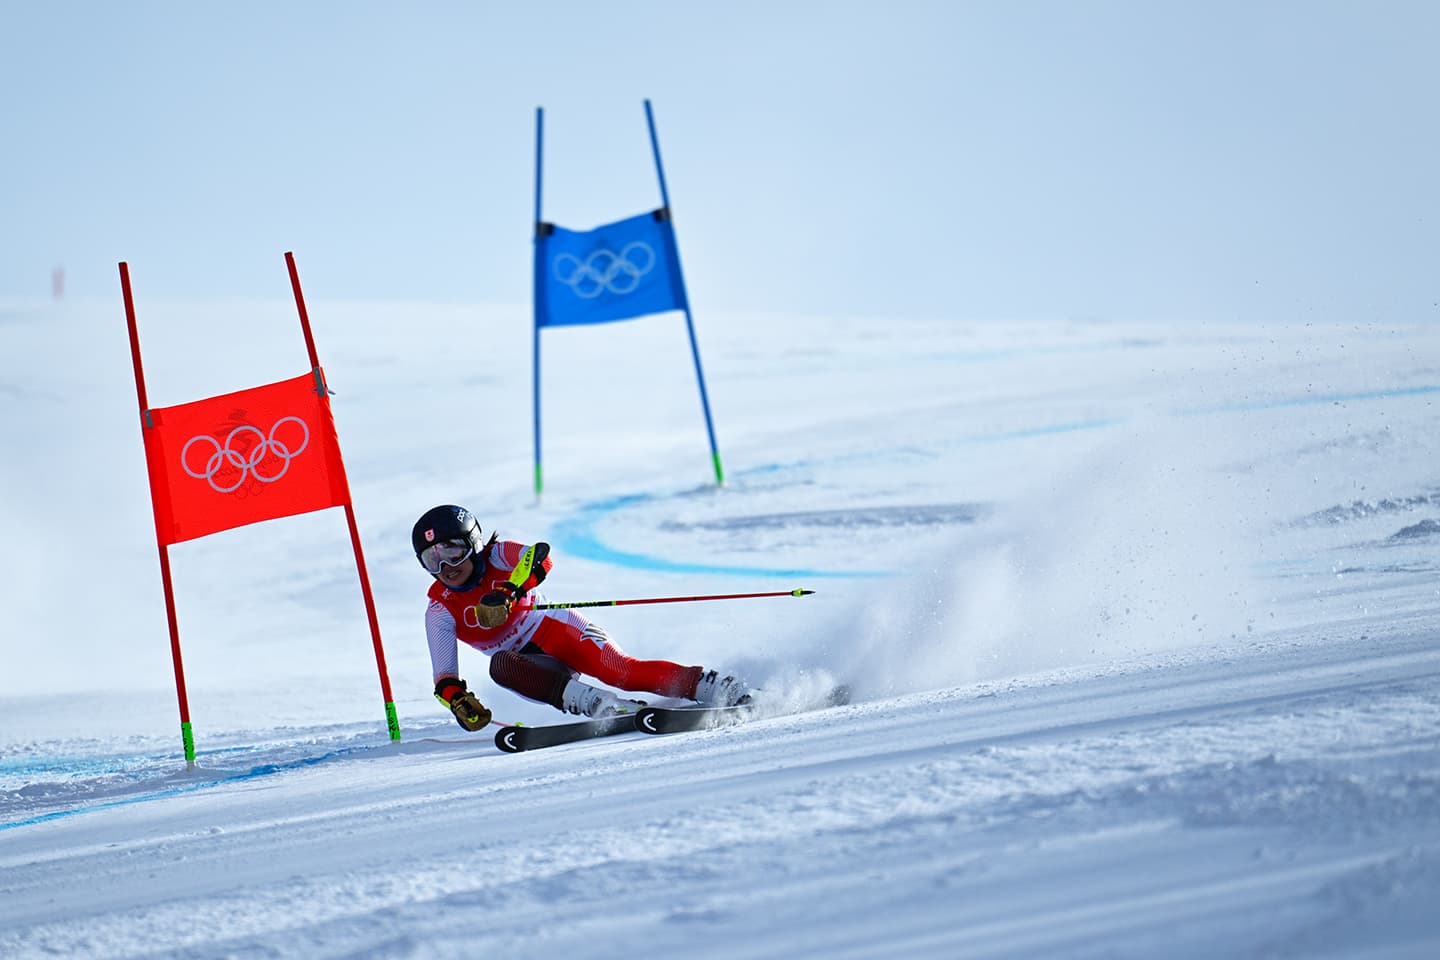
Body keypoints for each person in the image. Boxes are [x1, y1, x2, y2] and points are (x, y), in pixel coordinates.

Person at [413, 504, 754, 731]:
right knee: (502, 667)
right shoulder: (440, 609)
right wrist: (458, 702)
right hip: (534, 665)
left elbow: (539, 556)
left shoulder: (498, 556)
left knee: (622, 672)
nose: (446, 567)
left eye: (452, 551)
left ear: (472, 544)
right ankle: (603, 706)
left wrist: (508, 592)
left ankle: (716, 687)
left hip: (558, 631)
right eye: (432, 559)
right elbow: (444, 679)